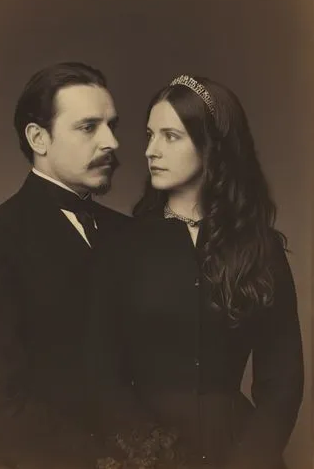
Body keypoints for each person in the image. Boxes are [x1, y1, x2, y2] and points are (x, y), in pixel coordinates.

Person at [89, 75, 304, 469]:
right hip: (143, 453)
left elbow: (282, 380)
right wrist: (148, 454)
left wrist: (253, 458)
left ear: (212, 148)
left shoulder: (260, 248)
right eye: (150, 135)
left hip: (238, 451)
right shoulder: (122, 245)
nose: (152, 150)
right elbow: (104, 373)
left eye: (171, 136)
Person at [0, 62, 130, 469]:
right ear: (38, 138)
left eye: (112, 125)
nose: (112, 142)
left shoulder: (131, 235)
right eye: (88, 127)